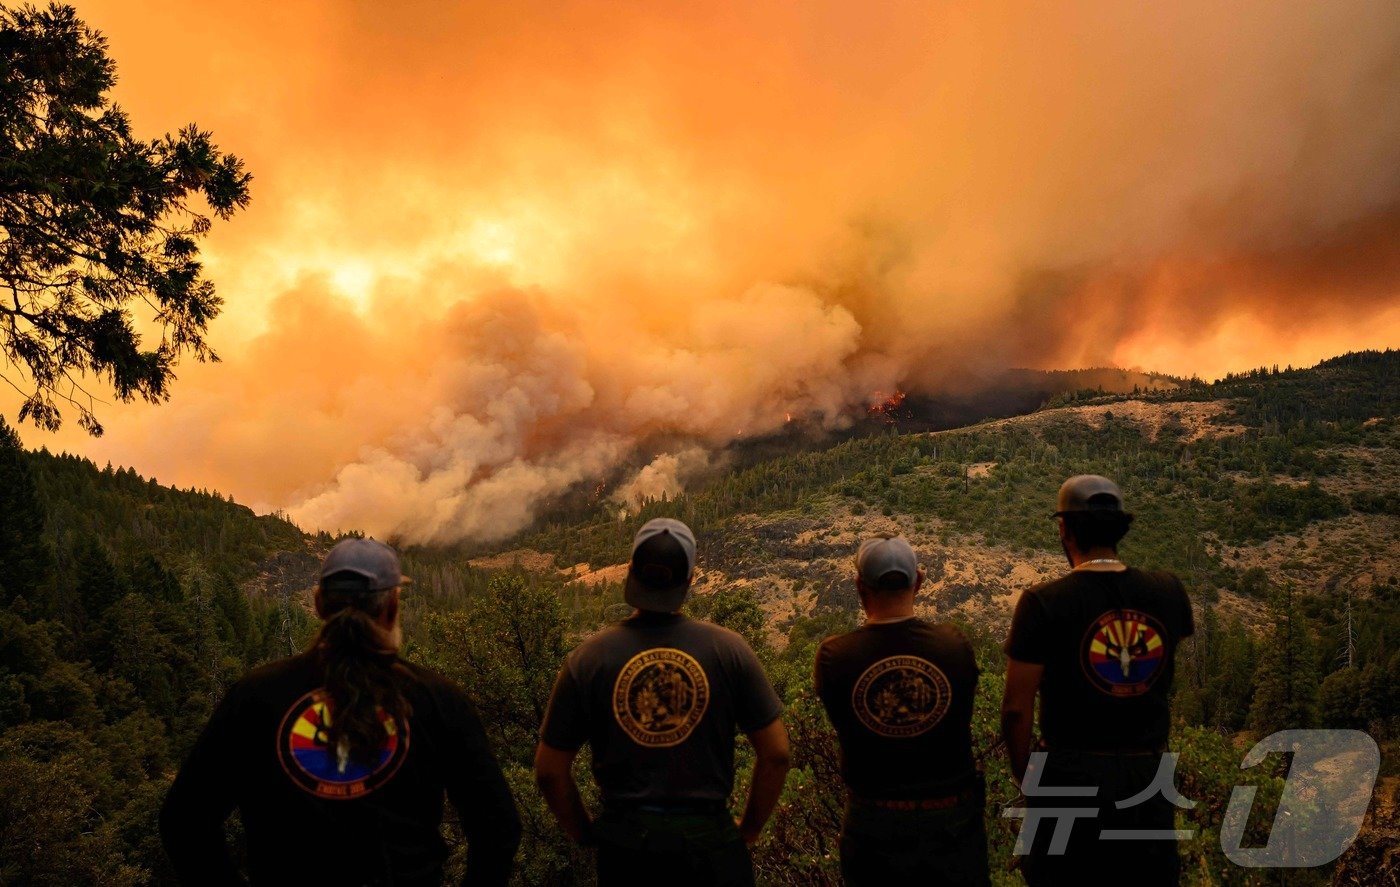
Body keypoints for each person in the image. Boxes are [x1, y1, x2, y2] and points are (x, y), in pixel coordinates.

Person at [160, 538, 521, 887]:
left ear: (318, 605)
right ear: (392, 607)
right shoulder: (437, 698)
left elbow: (184, 822)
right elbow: (498, 827)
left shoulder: (255, 696)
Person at [534, 517, 790, 887]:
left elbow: (548, 770)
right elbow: (777, 753)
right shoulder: (729, 650)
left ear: (630, 572)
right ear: (688, 580)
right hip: (711, 850)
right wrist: (748, 829)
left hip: (628, 855)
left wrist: (585, 833)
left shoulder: (588, 659)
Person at [1001, 475, 1195, 886]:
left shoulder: (1043, 603)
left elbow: (1016, 708)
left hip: (1068, 775)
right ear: (1122, 527)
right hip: (1147, 777)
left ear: (1064, 530)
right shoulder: (1167, 592)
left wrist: (1026, 776)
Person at [814, 535, 989, 887]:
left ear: (859, 586)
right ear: (919, 581)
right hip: (952, 823)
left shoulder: (835, 657)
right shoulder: (954, 647)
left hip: (874, 823)